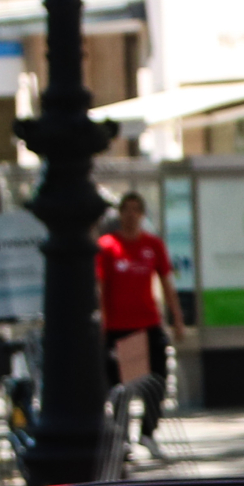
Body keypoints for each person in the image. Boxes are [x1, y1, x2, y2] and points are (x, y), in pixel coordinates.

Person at [95, 192, 187, 455]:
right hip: (120, 328)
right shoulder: (108, 246)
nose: (131, 215)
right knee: (124, 387)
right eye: (127, 210)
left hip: (149, 324)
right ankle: (122, 437)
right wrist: (102, 323)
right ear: (120, 214)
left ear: (142, 214)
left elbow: (167, 284)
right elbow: (100, 288)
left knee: (157, 381)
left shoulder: (153, 245)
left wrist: (177, 318)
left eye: (137, 210)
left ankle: (148, 433)